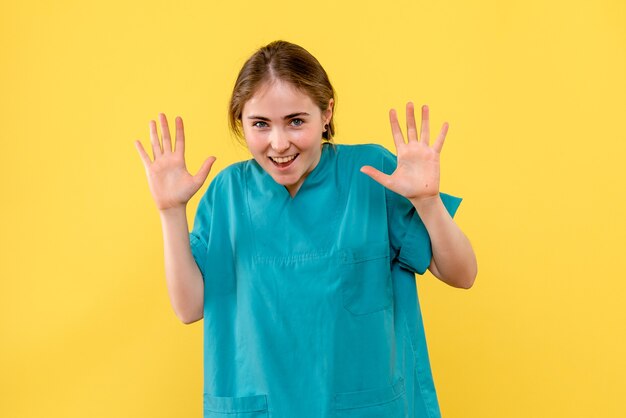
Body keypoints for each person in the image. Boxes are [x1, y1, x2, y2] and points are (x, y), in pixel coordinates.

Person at [135, 40, 477, 418]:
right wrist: (170, 212)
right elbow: (189, 308)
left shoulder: (373, 174)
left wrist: (428, 203)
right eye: (260, 124)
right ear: (241, 122)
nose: (279, 144)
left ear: (326, 112)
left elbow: (462, 274)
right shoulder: (227, 194)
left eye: (296, 121)